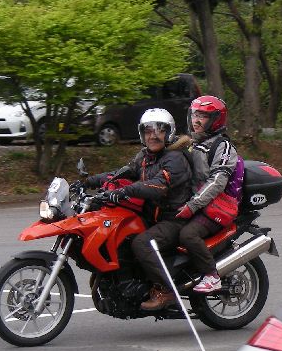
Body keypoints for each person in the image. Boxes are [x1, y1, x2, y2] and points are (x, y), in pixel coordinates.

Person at [81, 108, 192, 311]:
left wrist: (124, 191)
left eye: (159, 130)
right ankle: (123, 283)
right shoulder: (145, 156)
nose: (153, 136)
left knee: (142, 243)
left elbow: (158, 185)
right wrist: (88, 182)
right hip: (151, 216)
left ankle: (166, 290)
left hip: (173, 218)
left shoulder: (175, 158)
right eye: (148, 131)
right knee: (118, 234)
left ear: (169, 132)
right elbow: (121, 173)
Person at [174, 95, 239, 293]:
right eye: (195, 115)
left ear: (216, 120)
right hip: (193, 202)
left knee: (188, 235)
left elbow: (217, 182)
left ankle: (212, 275)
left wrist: (192, 205)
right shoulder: (190, 142)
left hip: (215, 206)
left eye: (202, 116)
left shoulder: (223, 147)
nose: (196, 120)